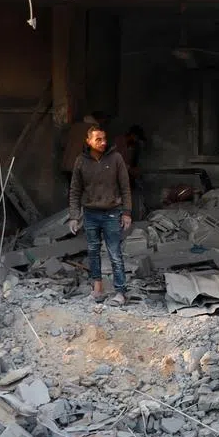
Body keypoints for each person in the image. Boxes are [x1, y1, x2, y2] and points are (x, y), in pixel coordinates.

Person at [68, 125, 132, 305]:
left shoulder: (116, 158)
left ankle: (120, 292)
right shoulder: (81, 161)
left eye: (104, 139)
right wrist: (74, 216)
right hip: (90, 213)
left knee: (115, 253)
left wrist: (126, 212)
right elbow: (75, 190)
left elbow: (125, 188)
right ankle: (98, 290)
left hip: (112, 212)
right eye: (98, 139)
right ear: (88, 141)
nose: (103, 142)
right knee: (93, 252)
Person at [114, 125, 146, 220]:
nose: (136, 140)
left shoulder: (132, 146)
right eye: (136, 138)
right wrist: (129, 169)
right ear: (133, 135)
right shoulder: (119, 142)